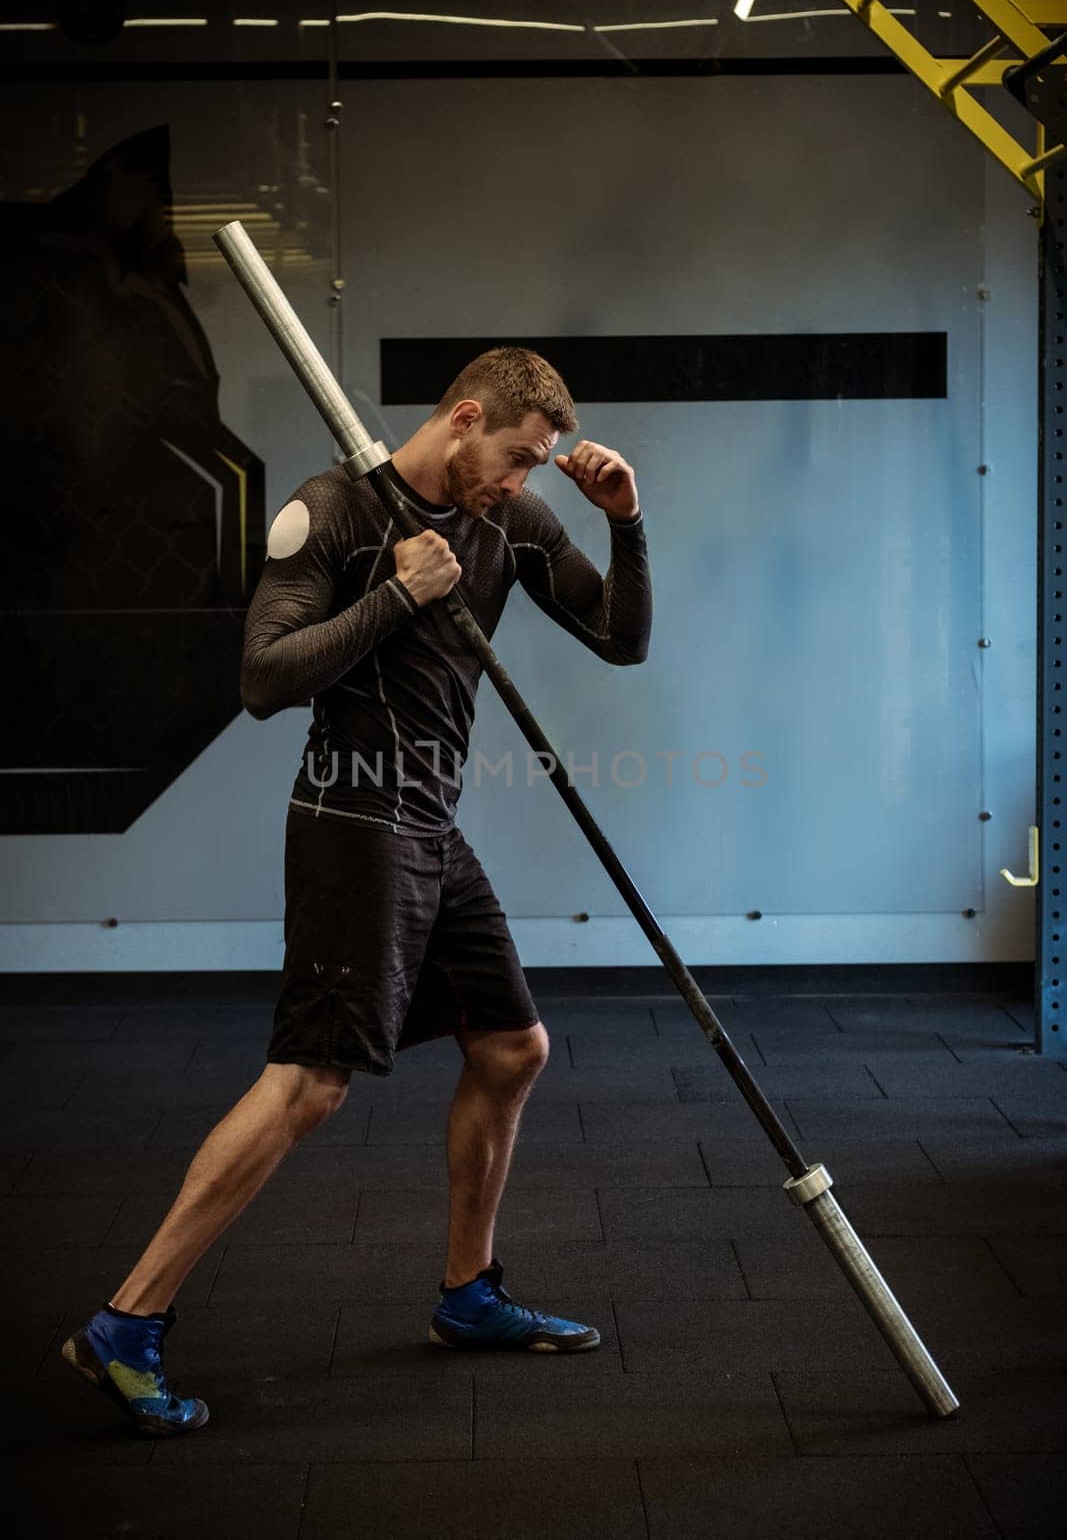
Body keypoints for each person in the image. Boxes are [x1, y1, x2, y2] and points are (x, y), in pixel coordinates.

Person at [62, 346, 653, 1435]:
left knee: (513, 1046)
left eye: (533, 466)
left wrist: (623, 521)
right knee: (308, 1086)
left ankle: (468, 1295)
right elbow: (261, 682)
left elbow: (619, 640)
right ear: (465, 418)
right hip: (350, 823)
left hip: (430, 823)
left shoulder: (512, 522)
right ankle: (126, 1321)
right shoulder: (329, 512)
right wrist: (394, 593)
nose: (518, 481)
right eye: (515, 457)